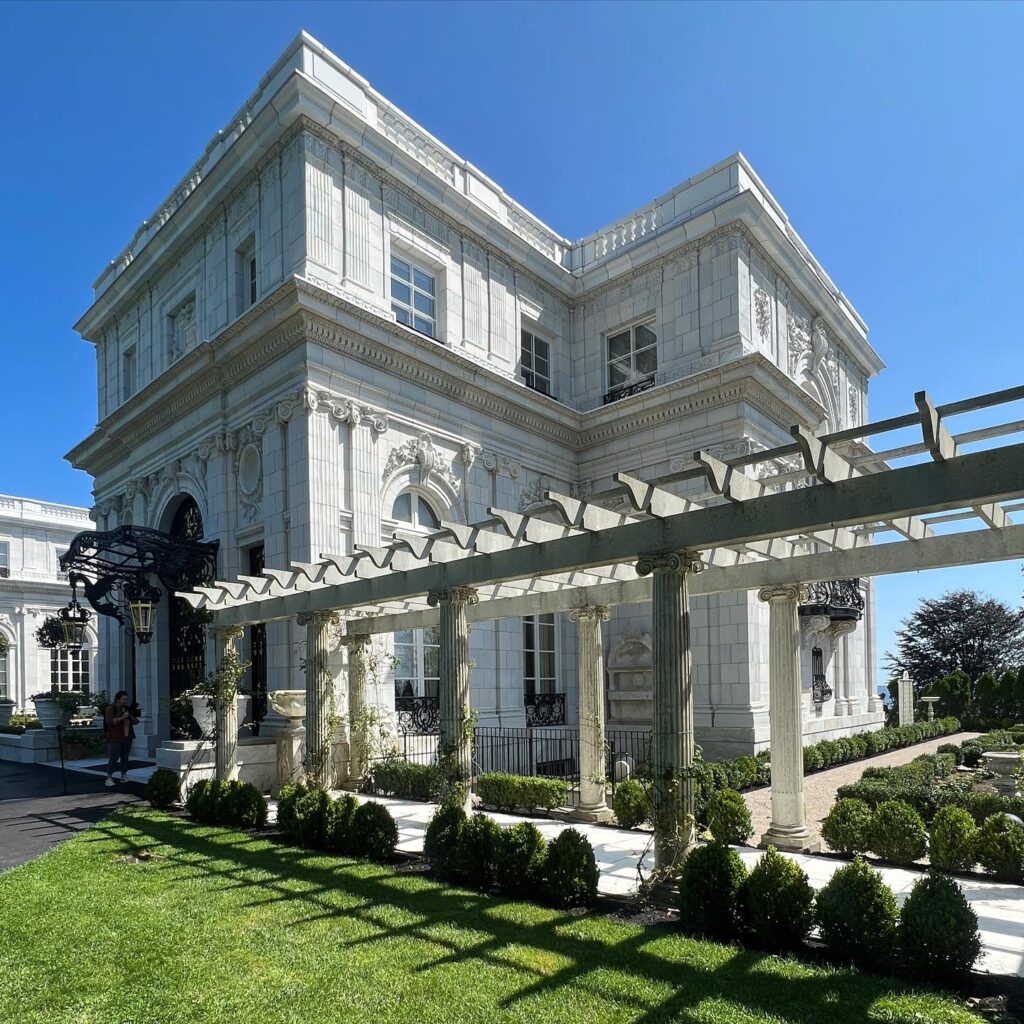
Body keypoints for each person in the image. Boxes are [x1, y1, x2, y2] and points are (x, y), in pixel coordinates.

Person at [104, 691, 139, 786]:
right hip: (116, 736)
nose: (125, 701)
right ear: (118, 699)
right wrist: (123, 717)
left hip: (127, 736)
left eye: (126, 699)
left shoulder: (127, 709)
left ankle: (123, 774)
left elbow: (136, 721)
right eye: (123, 699)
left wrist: (130, 715)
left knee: (125, 757)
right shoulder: (110, 708)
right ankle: (109, 777)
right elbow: (110, 722)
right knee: (114, 756)